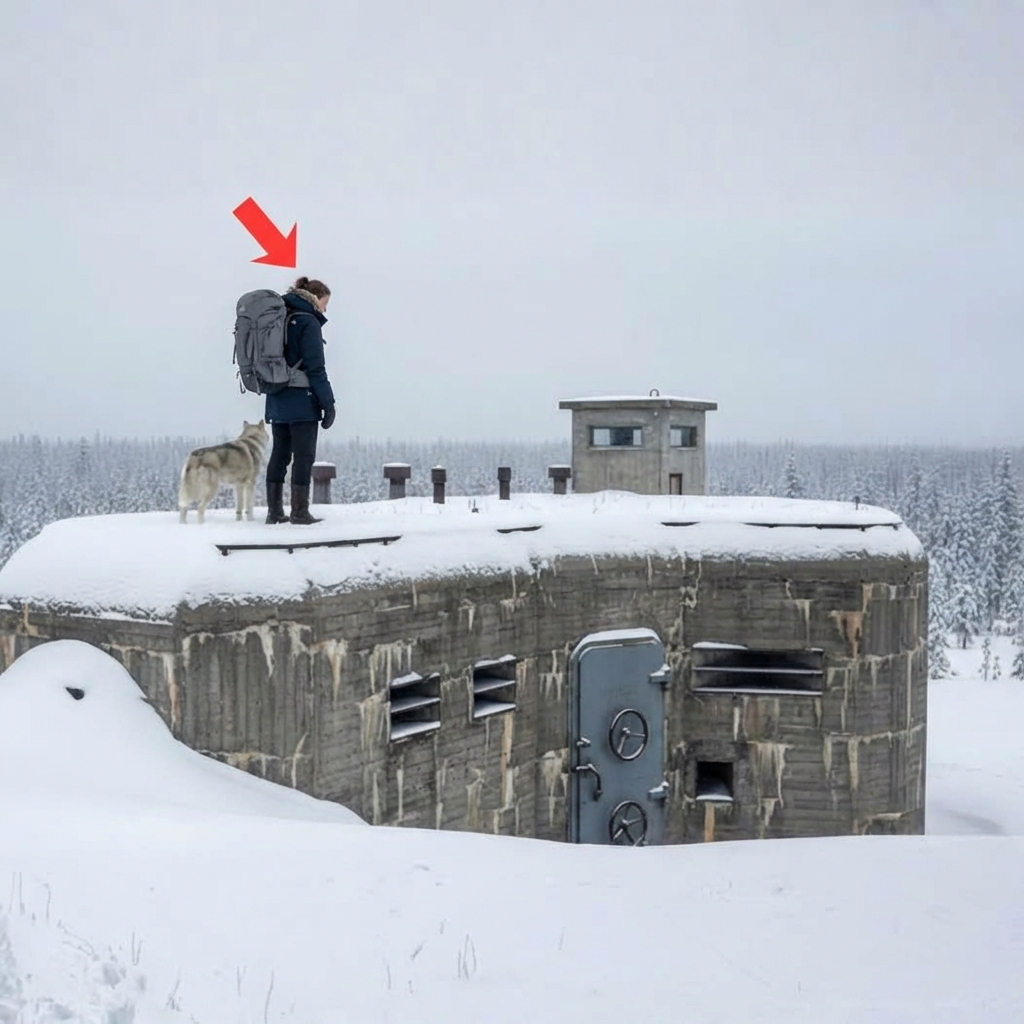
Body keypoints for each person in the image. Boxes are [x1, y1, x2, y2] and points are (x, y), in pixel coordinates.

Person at [264, 276, 336, 525]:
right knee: (303, 457)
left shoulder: (279, 316)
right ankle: (299, 512)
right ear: (316, 298)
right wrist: (328, 403)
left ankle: (274, 512)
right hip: (302, 401)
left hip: (276, 396)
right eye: (325, 304)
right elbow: (316, 368)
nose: (325, 310)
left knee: (280, 454)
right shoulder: (308, 321)